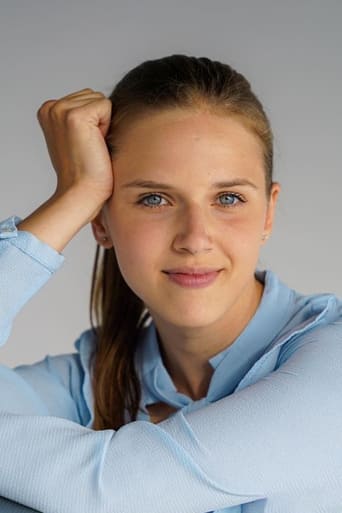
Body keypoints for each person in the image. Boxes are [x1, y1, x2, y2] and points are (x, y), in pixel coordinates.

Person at [0, 54, 341, 513]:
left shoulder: (331, 361)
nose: (195, 238)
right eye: (155, 198)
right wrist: (73, 195)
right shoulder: (92, 379)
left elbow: (108, 488)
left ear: (269, 212)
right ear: (100, 220)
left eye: (228, 198)